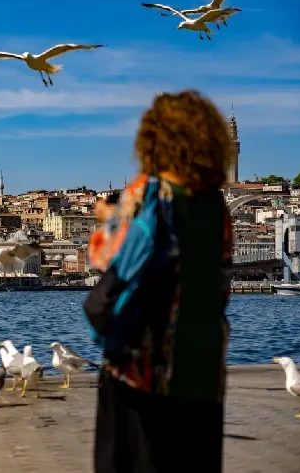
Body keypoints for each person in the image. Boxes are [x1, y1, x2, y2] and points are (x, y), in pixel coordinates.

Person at [84, 90, 234, 473]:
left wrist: (109, 215)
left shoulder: (151, 193)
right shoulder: (217, 207)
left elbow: (106, 256)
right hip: (203, 374)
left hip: (143, 374)